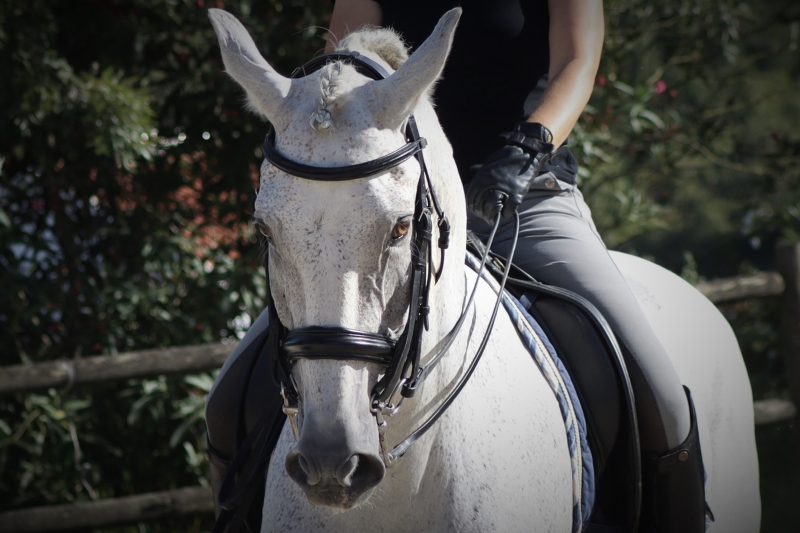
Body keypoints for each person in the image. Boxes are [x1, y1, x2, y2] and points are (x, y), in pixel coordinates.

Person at [206, 2, 708, 532]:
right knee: (227, 401)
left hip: (521, 195)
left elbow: (576, 64)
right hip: (382, 205)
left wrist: (528, 148)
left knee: (658, 392)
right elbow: (342, 77)